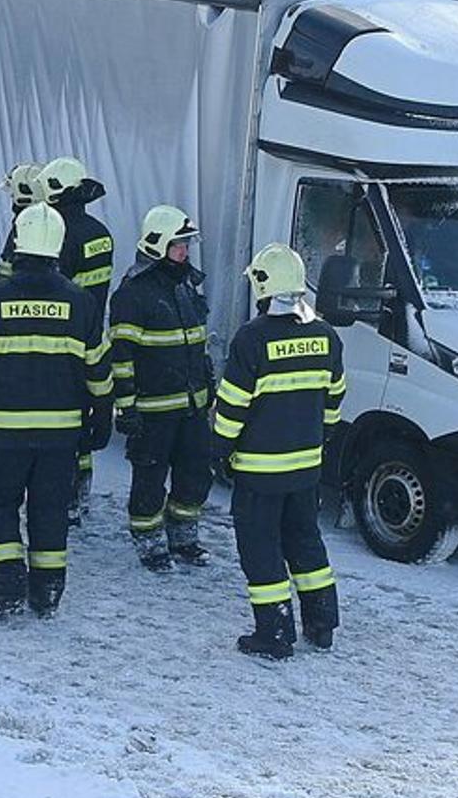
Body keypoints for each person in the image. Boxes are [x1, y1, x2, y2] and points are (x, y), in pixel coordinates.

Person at [0, 202, 111, 623]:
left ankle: (7, 585)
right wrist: (102, 416)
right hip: (61, 434)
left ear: (19, 242)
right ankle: (47, 592)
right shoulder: (81, 302)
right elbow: (98, 369)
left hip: (1, 432)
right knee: (50, 509)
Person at [212, 245, 345, 660]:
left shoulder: (252, 338)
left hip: (259, 472)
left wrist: (219, 450)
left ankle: (273, 634)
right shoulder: (326, 335)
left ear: (262, 285)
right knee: (306, 542)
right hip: (306, 468)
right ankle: (322, 625)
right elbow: (335, 399)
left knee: (261, 549)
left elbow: (232, 406)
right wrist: (318, 438)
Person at [110, 206, 215, 572]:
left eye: (186, 244)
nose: (184, 252)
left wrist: (207, 384)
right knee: (149, 479)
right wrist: (126, 408)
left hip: (192, 406)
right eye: (178, 245)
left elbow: (197, 344)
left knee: (196, 474)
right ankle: (150, 541)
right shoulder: (133, 294)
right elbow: (121, 358)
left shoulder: (186, 287)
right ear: (157, 245)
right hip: (152, 411)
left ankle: (183, 537)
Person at [40, 157, 116, 522]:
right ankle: (79, 492)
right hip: (90, 336)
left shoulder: (57, 233)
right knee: (82, 414)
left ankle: (59, 495)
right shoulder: (100, 233)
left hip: (56, 340)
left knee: (56, 419)